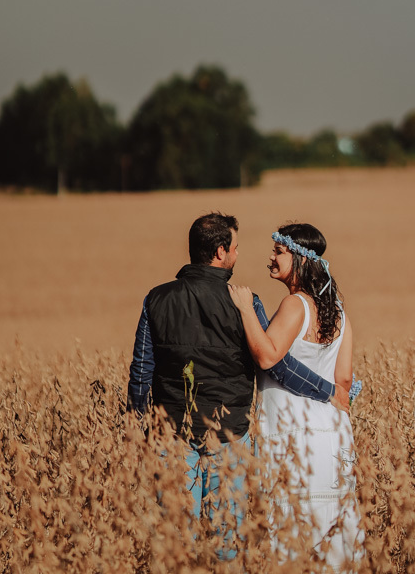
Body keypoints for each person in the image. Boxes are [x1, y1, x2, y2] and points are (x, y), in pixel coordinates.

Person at [126, 211, 348, 551]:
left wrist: (135, 426)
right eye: (235, 248)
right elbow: (278, 366)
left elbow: (141, 371)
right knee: (227, 542)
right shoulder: (246, 302)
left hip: (171, 434)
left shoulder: (156, 299)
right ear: (220, 252)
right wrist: (327, 390)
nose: (238, 254)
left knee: (174, 545)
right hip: (231, 435)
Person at [229, 222, 363, 572]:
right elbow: (344, 382)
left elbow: (267, 356)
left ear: (301, 259)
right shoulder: (340, 313)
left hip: (293, 435)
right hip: (333, 437)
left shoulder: (295, 304)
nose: (271, 257)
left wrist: (246, 309)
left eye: (279, 251)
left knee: (291, 530)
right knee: (331, 530)